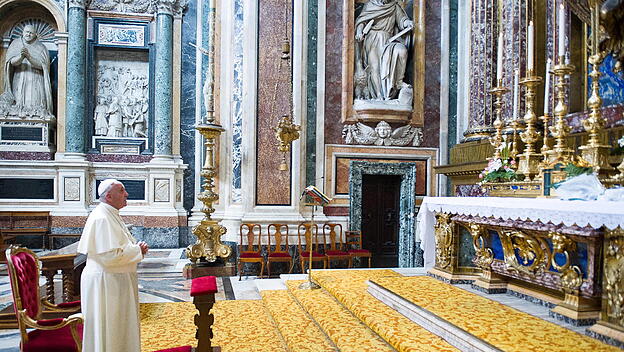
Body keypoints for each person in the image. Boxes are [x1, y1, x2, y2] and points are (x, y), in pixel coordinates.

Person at [78, 179, 149, 352]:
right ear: (109, 196)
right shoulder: (102, 218)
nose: (126, 194)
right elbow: (109, 256)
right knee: (109, 329)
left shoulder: (110, 213)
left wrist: (135, 249)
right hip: (106, 283)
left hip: (114, 280)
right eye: (122, 191)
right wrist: (137, 250)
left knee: (118, 327)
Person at [355, 0, 413, 101]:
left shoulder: (394, 6)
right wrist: (359, 32)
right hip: (372, 39)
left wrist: (407, 23)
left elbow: (402, 20)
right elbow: (362, 21)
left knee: (401, 50)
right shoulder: (369, 5)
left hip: (388, 40)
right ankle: (378, 96)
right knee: (374, 66)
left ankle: (398, 83)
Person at [1, 24, 53, 115]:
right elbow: (11, 62)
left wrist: (29, 57)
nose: (28, 34)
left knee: (35, 105)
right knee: (18, 103)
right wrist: (21, 57)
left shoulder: (41, 47)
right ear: (22, 32)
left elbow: (43, 66)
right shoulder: (16, 44)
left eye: (31, 33)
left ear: (35, 34)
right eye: (26, 32)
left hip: (36, 79)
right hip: (19, 77)